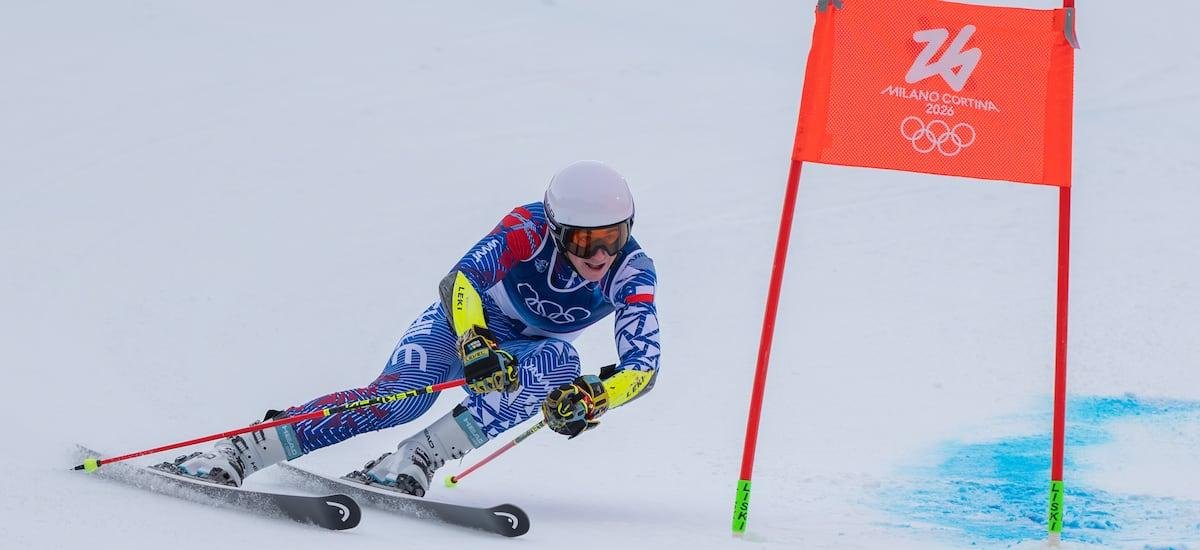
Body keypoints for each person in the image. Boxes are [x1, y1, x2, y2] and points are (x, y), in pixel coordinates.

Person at [160, 160, 661, 496]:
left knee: (561, 364)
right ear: (555, 229)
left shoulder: (632, 271)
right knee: (402, 399)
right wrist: (474, 339)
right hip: (467, 325)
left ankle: (411, 462)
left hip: (527, 353)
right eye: (582, 240)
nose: (598, 255)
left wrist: (596, 397)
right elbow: (463, 279)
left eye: (613, 238)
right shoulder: (526, 228)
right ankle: (244, 449)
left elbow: (643, 366)